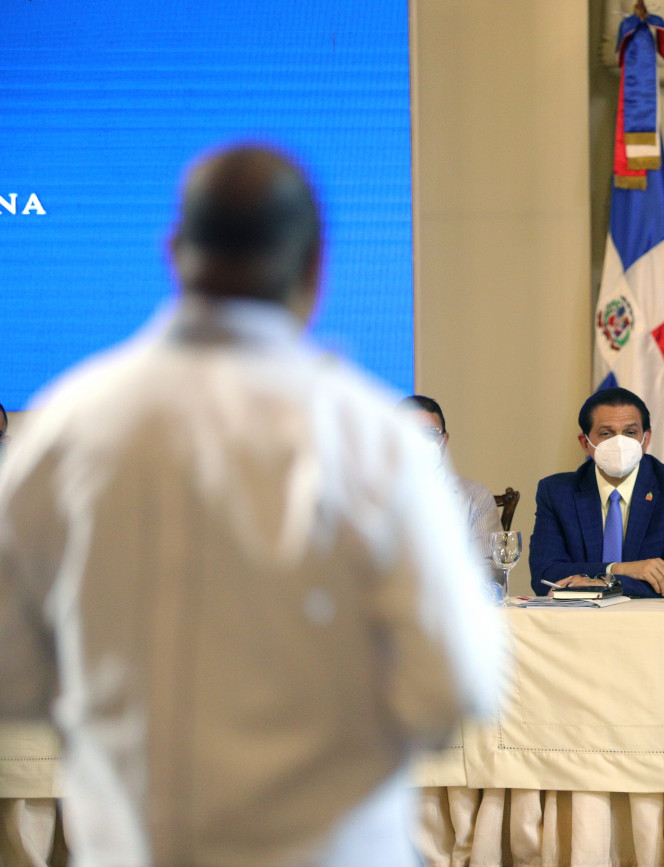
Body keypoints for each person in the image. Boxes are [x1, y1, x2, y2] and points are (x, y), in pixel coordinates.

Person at [0, 144, 507, 866]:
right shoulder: (374, 441)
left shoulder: (63, 428)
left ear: (173, 253)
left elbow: (12, 672)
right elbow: (458, 684)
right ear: (316, 269)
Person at [529, 387, 664, 597]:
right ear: (585, 443)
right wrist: (617, 569)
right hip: (579, 615)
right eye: (606, 433)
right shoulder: (556, 492)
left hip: (653, 616)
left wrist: (597, 584)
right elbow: (545, 575)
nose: (620, 443)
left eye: (630, 433)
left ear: (646, 439)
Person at [398, 394, 503, 565]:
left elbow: (490, 569)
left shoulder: (477, 497)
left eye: (429, 434)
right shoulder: (366, 497)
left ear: (444, 440)